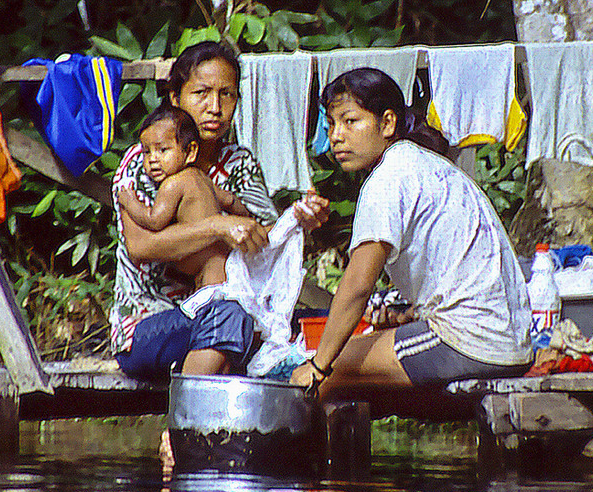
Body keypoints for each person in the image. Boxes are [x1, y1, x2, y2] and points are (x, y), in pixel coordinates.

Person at [290, 68, 533, 398]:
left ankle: (325, 451)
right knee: (339, 360)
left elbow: (358, 285)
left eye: (350, 121)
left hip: (472, 340)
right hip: (507, 339)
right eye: (332, 124)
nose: (336, 135)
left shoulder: (389, 178)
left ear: (387, 123)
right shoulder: (424, 164)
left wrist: (318, 366)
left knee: (323, 373)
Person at [111, 41, 326, 381]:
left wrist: (298, 219)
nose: (215, 107)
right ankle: (184, 429)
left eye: (227, 95)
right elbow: (142, 247)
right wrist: (216, 226)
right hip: (152, 323)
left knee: (319, 323)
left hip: (233, 309)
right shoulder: (147, 160)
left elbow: (261, 237)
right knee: (230, 314)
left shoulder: (238, 163)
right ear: (175, 98)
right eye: (201, 93)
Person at [117, 103, 250, 290]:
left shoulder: (173, 184)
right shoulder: (202, 178)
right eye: (147, 152)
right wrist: (245, 219)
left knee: (213, 313)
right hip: (221, 257)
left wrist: (130, 203)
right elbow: (229, 200)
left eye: (163, 150)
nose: (153, 158)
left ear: (190, 152)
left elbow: (155, 220)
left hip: (205, 261)